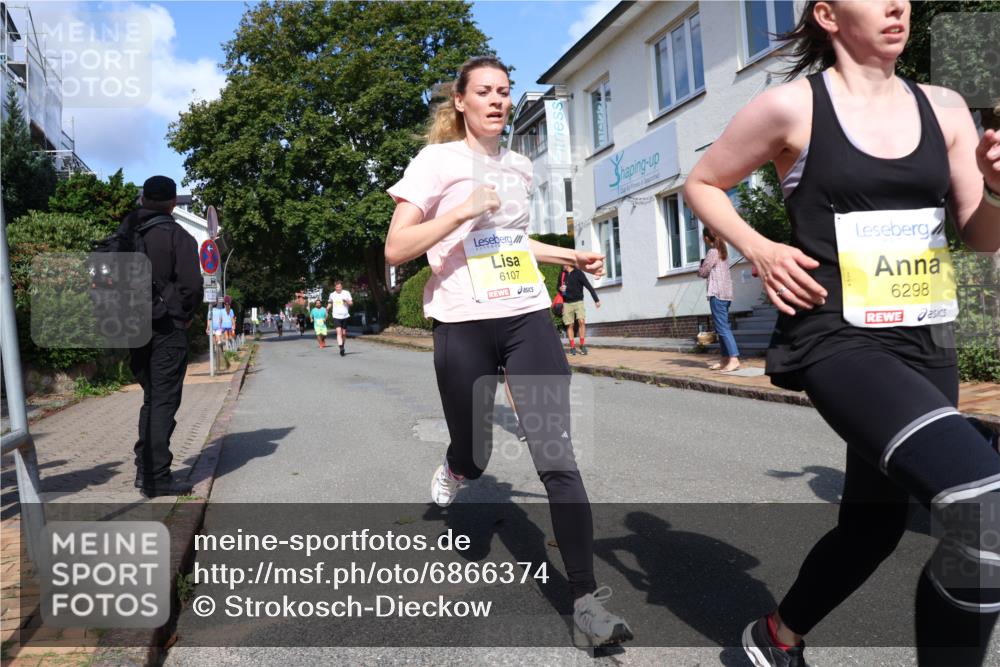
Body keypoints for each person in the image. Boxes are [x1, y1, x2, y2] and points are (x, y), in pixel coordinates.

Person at [683, 2, 1000, 665]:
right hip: (839, 338)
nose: (897, 5)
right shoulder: (790, 108)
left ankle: (772, 640)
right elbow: (704, 182)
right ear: (827, 13)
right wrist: (758, 248)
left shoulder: (944, 107)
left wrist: (997, 190)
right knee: (984, 504)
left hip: (926, 338)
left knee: (872, 527)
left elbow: (979, 232)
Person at [384, 55, 633, 651]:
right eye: (484, 92)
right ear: (461, 103)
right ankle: (456, 469)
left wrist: (568, 256)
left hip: (524, 314)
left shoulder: (520, 165)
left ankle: (584, 600)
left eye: (504, 92)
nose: (497, 101)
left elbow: (513, 239)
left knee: (556, 455)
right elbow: (396, 249)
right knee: (477, 450)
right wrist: (463, 210)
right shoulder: (435, 163)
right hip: (463, 321)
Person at [125, 176, 203, 498]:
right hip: (167, 331)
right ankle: (157, 478)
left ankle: (145, 472)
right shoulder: (178, 237)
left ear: (143, 198)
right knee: (163, 402)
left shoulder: (127, 233)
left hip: (133, 329)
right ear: (173, 202)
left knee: (151, 399)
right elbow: (192, 289)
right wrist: (184, 316)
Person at [698, 228, 740, 372]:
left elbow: (703, 272)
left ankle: (734, 359)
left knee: (722, 328)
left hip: (717, 294)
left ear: (706, 238)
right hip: (726, 294)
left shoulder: (712, 252)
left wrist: (701, 265)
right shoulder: (723, 253)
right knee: (721, 327)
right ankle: (724, 359)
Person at [558, 264, 600, 355]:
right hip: (567, 303)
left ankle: (582, 345)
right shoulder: (562, 274)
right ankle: (572, 347)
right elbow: (558, 287)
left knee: (581, 321)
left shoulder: (578, 273)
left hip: (578, 302)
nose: (562, 265)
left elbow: (588, 286)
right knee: (570, 325)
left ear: (568, 263)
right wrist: (560, 288)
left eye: (563, 263)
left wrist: (596, 300)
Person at [327, 280, 353, 356]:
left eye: (340, 287)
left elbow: (351, 303)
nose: (338, 288)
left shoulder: (346, 293)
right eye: (337, 287)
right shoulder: (332, 294)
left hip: (345, 315)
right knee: (339, 332)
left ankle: (342, 345)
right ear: (335, 287)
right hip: (336, 316)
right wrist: (327, 309)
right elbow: (330, 303)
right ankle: (341, 348)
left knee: (344, 333)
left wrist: (347, 301)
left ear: (342, 287)